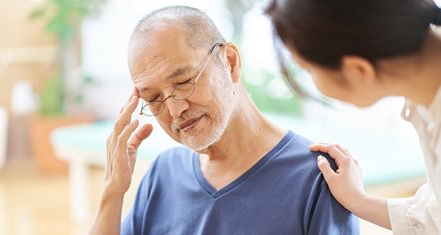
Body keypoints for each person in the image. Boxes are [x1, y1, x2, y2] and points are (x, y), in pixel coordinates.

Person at [89, 5, 359, 235]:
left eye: (183, 82)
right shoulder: (163, 174)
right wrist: (112, 193)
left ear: (230, 62)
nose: (174, 110)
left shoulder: (318, 177)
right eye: (154, 98)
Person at [266, 0, 441, 234]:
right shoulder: (425, 103)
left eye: (309, 70)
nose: (314, 84)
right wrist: (359, 201)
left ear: (358, 69)